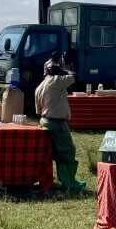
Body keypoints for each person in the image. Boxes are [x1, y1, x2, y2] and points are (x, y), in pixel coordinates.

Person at [35, 61, 85, 191]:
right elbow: (77, 77)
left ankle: (65, 180)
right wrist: (63, 70)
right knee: (68, 151)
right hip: (57, 123)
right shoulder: (57, 80)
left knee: (57, 154)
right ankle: (70, 182)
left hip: (45, 121)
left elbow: (38, 111)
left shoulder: (40, 86)